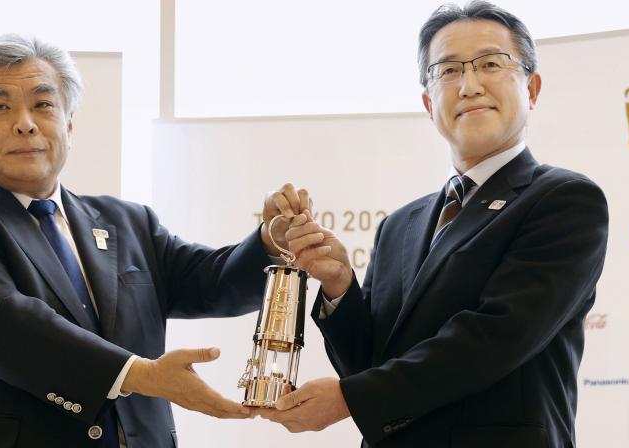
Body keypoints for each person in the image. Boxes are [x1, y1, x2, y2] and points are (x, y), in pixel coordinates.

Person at [0, 34, 309, 448]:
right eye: (0, 106)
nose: (26, 122)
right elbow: (4, 323)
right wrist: (142, 375)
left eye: (43, 104)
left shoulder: (127, 221)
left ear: (69, 124)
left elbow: (212, 281)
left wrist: (269, 243)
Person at [257, 2, 609, 447]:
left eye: (490, 63)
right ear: (427, 102)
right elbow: (369, 364)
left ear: (532, 88)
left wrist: (349, 399)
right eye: (447, 70)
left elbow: (494, 338)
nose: (469, 85)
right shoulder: (400, 225)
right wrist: (340, 288)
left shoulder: (564, 200)